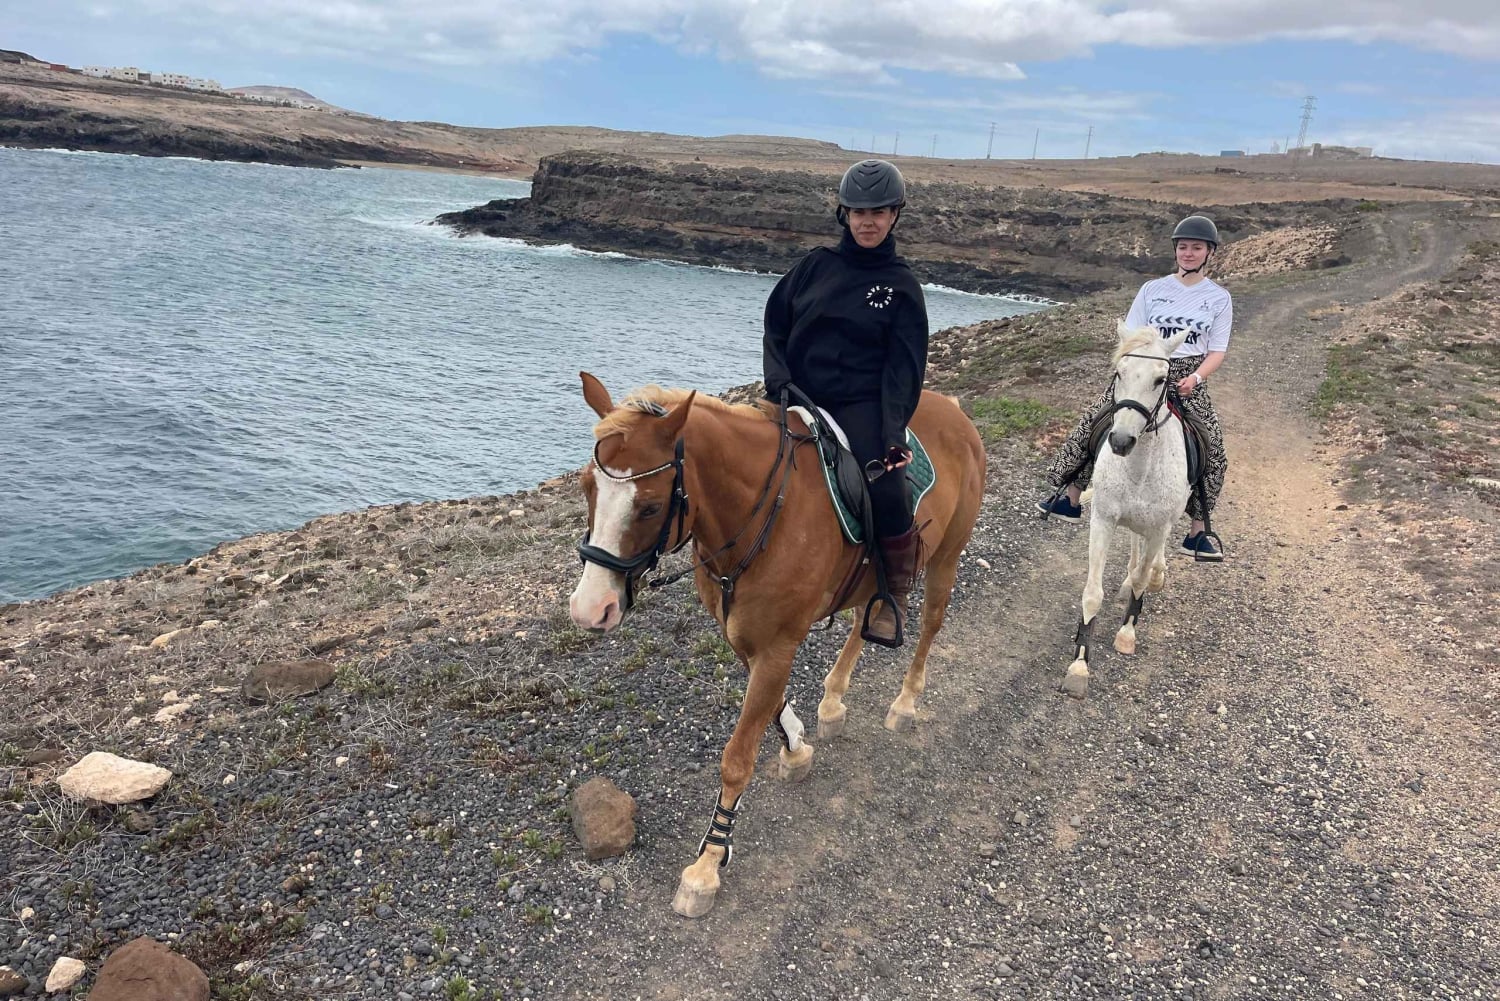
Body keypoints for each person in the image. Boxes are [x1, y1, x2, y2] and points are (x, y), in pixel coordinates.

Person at [763, 158, 928, 644]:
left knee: (886, 490)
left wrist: (892, 433)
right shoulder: (814, 266)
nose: (868, 221)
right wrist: (779, 383)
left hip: (858, 405)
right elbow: (775, 326)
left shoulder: (902, 286)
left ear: (895, 214)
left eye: (878, 211)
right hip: (795, 393)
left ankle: (891, 594)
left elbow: (904, 369)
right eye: (858, 212)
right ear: (843, 214)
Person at [1037, 214, 1231, 560]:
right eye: (1183, 247)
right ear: (1176, 250)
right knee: (1093, 422)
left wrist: (1196, 378)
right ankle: (1069, 495)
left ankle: (1199, 532)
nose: (1188, 253)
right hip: (1145, 367)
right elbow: (1130, 334)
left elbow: (1217, 350)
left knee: (1213, 449)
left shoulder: (1218, 298)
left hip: (1187, 372)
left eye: (1196, 248)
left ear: (1209, 253)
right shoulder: (1153, 290)